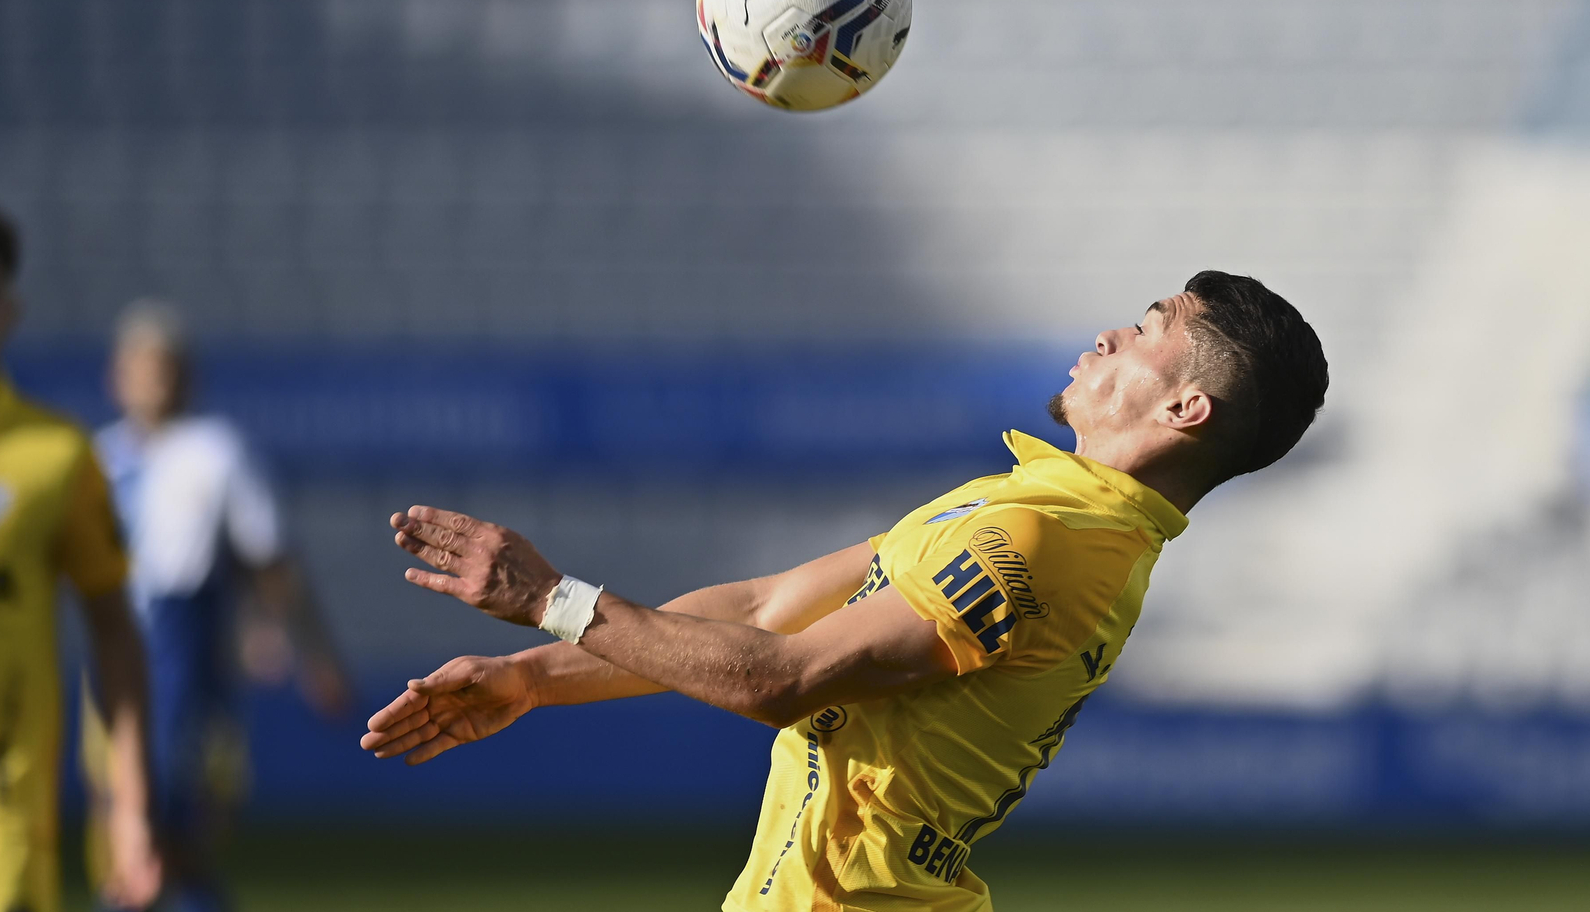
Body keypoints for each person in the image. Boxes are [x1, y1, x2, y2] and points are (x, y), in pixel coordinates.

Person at [360, 270, 1329, 912]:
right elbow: (763, 609)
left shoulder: (1044, 540)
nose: (1110, 329)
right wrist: (533, 675)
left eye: (1147, 328)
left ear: (1183, 407)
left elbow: (779, 677)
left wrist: (550, 596)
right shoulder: (1038, 508)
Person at [90, 300, 351, 912]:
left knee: (169, 837)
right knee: (129, 838)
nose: (154, 378)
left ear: (188, 375)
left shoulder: (217, 452)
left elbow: (270, 562)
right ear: (116, 375)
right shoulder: (98, 459)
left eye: (166, 365)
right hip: (112, 657)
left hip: (186, 660)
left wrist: (310, 651)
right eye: (140, 365)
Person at [0, 207, 161, 912]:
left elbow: (113, 631)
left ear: (8, 310)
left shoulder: (57, 456)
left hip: (3, 824)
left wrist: (130, 804)